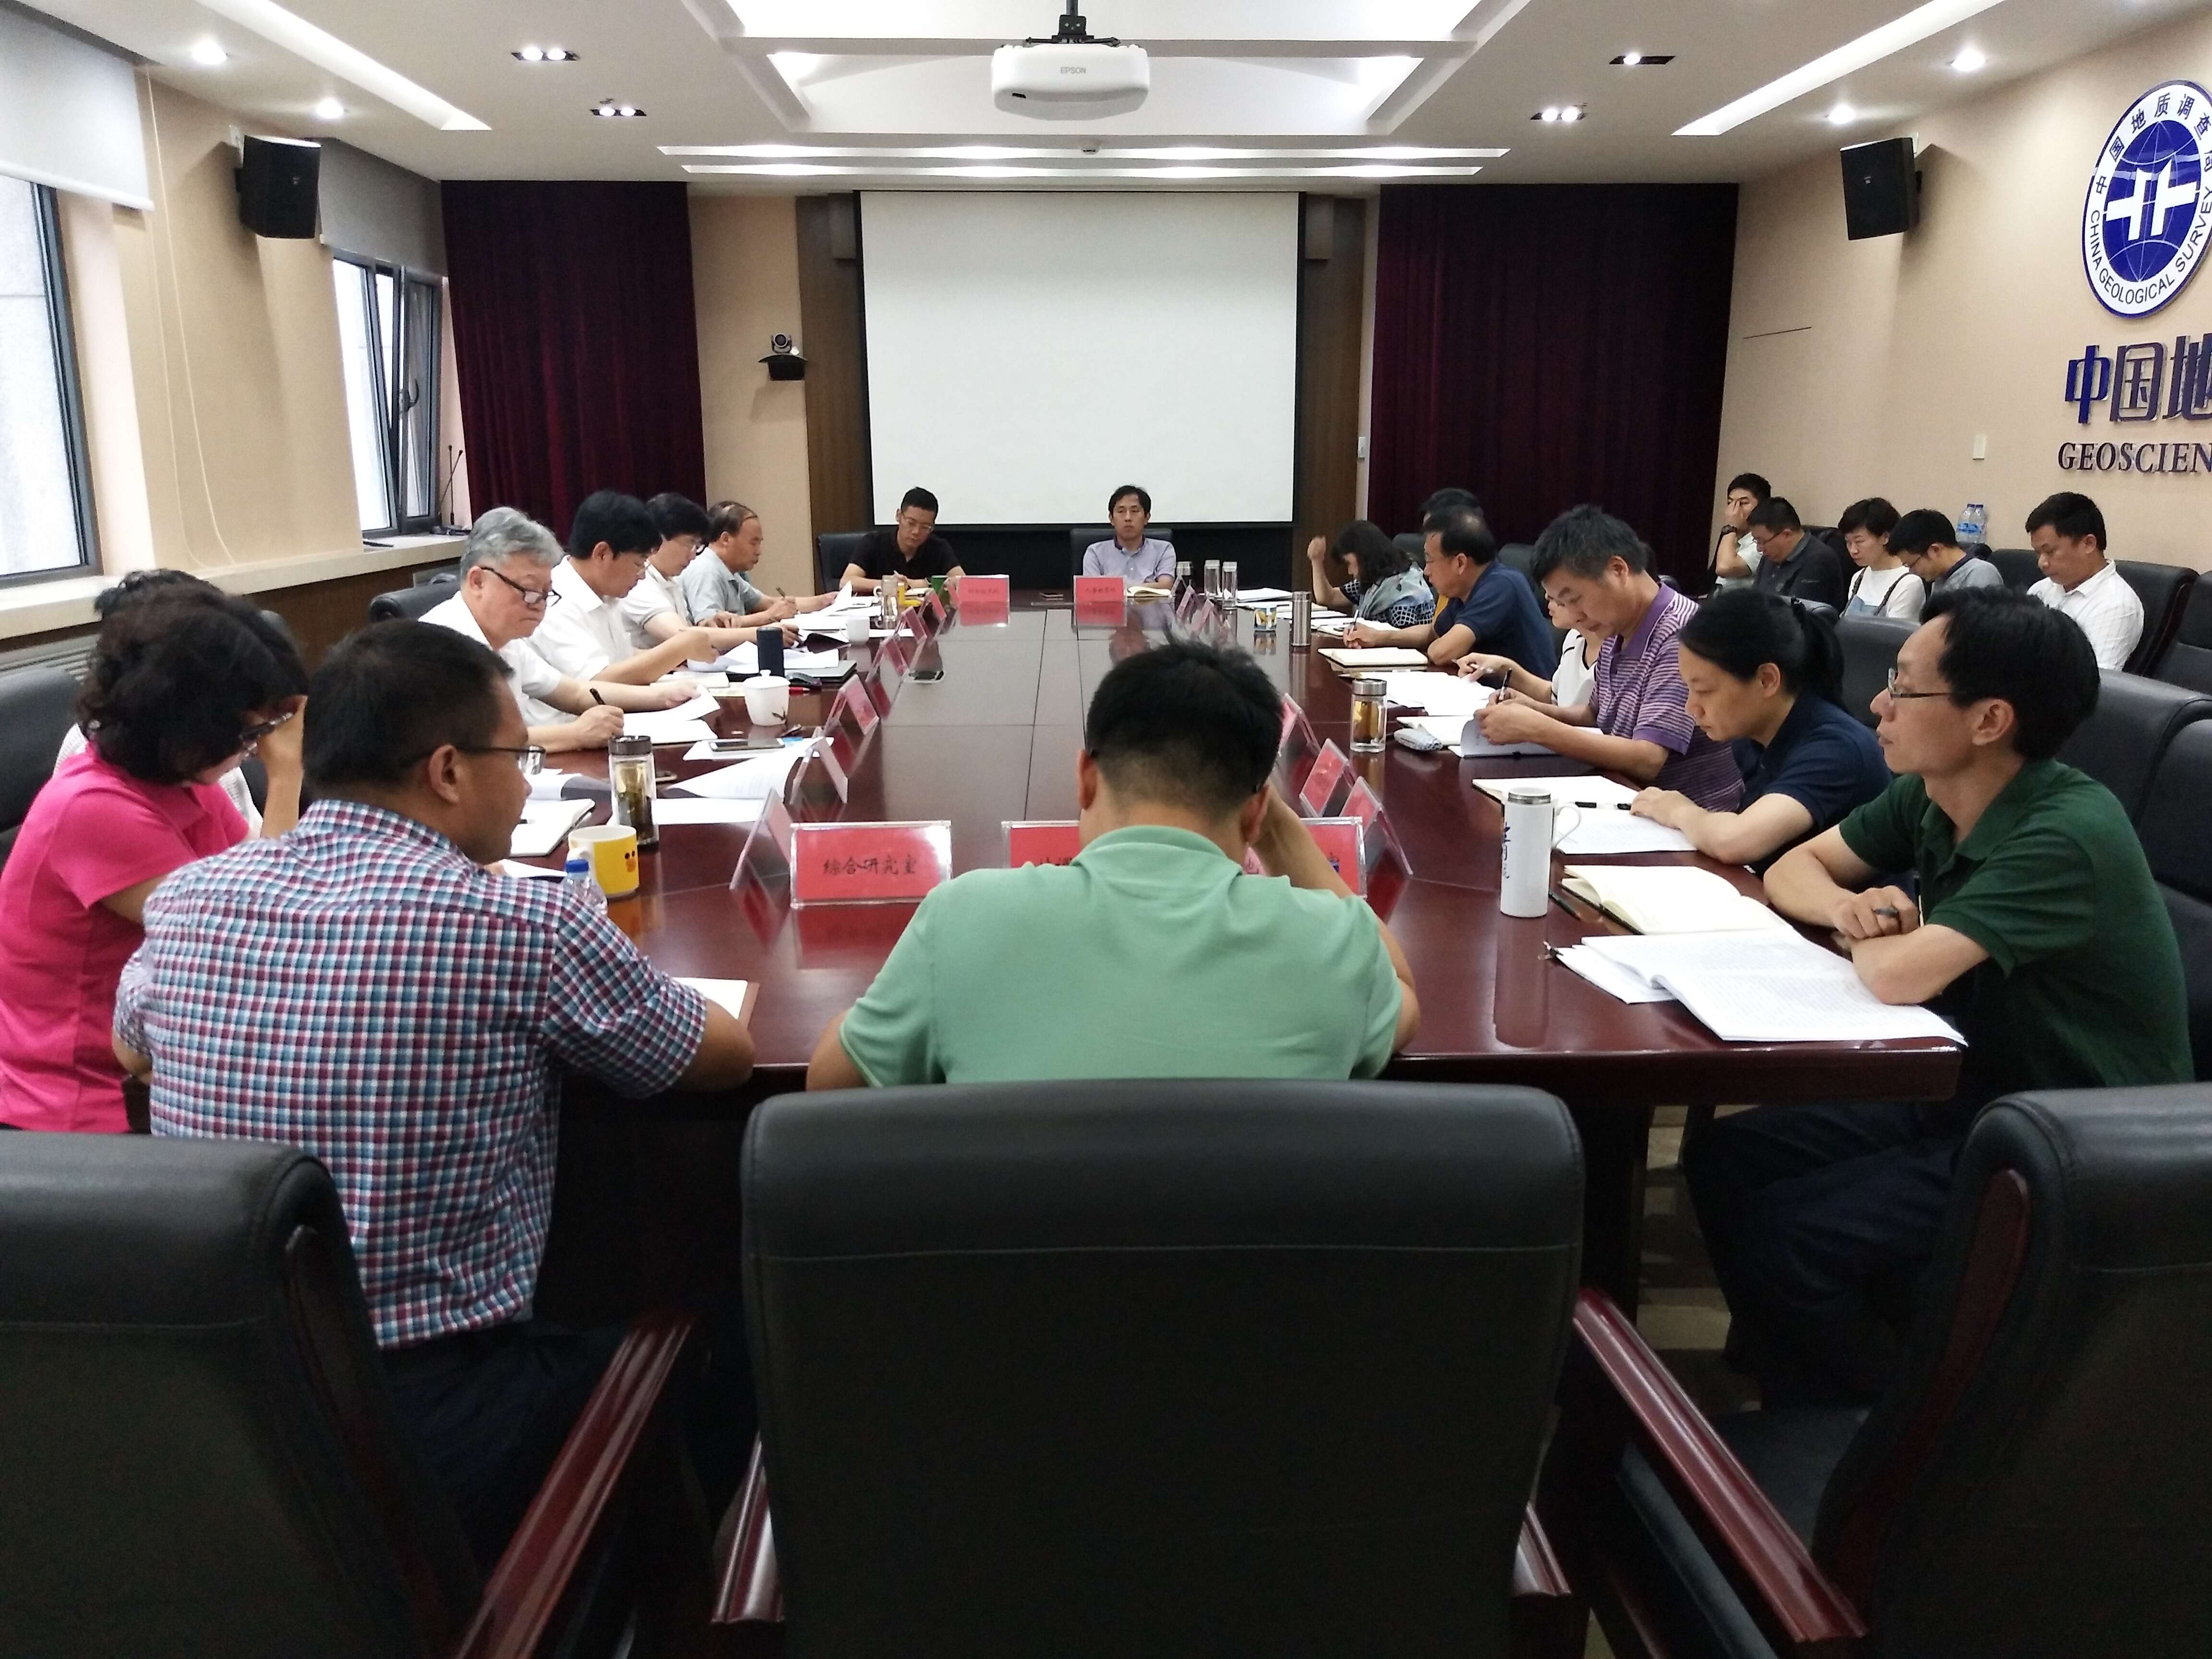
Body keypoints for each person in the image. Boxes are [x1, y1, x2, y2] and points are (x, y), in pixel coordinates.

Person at [113, 621, 756, 1563]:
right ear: (448, 771)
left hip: (224, 1408)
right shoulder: (521, 923)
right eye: (520, 758)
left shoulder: (189, 898)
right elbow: (724, 1056)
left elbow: (129, 1050)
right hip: (436, 1414)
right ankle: (674, 1596)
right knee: (734, 1323)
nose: (528, 784)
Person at [1691, 589, 2189, 1406]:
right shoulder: (1932, 789)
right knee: (1726, 1157)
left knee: (1791, 1239)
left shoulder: (2067, 831)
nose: (1877, 705)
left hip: (2074, 1132)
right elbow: (1790, 870)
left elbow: (1898, 976)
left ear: (1988, 720)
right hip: (1971, 1081)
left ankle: (1891, 1426)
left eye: (1903, 686)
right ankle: (1787, 1368)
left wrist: (1871, 940)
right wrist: (1851, 912)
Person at [805, 638, 1419, 1087]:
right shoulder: (1330, 942)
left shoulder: (963, 919)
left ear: (1085, 778)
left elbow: (829, 1084)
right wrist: (1280, 832)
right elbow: (1403, 992)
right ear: (1256, 812)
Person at [0, 591, 306, 1133]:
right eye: (250, 734)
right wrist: (286, 777)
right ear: (187, 727)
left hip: (170, 1055)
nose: (258, 747)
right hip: (91, 1099)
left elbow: (268, 880)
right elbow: (254, 938)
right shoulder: (93, 808)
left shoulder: (181, 780)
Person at [1476, 506, 1743, 809]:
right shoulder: (1616, 627)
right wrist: (1533, 710)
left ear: (1618, 570)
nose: (1575, 615)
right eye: (1563, 603)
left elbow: (1649, 758)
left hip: (1690, 816)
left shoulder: (1680, 634)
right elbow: (1596, 717)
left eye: (1575, 599)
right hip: (1624, 797)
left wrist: (1537, 729)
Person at [1629, 590, 1889, 871]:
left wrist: (1678, 810)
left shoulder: (1838, 749)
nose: (1691, 708)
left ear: (1766, 680)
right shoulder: (1754, 733)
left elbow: (1736, 842)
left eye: (1704, 691)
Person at [422, 508, 687, 752]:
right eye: (529, 591)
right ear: (478, 582)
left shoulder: (508, 640)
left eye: (546, 593)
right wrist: (576, 734)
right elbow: (476, 743)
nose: (540, 605)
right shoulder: (441, 645)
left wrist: (663, 696)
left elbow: (575, 693)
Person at [53, 570, 270, 833]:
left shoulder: (192, 764)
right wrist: (285, 777)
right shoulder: (193, 755)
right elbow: (264, 858)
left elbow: (255, 850)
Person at [529, 490, 742, 682]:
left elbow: (620, 656)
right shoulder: (556, 601)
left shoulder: (605, 594)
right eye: (638, 564)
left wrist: (674, 662)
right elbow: (598, 681)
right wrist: (680, 648)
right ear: (602, 554)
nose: (642, 576)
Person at [1347, 510, 1551, 673]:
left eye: (1430, 560)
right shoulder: (1465, 588)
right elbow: (1432, 632)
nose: (1426, 571)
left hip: (1527, 705)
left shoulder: (1502, 585)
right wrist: (1378, 637)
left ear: (1460, 563)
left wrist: (1432, 647)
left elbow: (1442, 652)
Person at [2026, 491, 2141, 670]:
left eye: (2050, 551)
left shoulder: (2116, 605)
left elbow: (2097, 679)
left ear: (2088, 544)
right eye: (2038, 553)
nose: (2042, 563)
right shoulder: (2040, 590)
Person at [680, 500, 834, 627]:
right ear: (726, 539)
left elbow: (768, 603)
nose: (759, 551)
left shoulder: (729, 572)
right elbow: (711, 627)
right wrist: (769, 616)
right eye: (753, 543)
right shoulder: (706, 571)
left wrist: (826, 600)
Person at [1460, 588, 1597, 709]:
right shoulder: (1574, 638)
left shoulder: (1608, 654)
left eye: (1564, 591)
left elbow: (1588, 721)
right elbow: (1556, 697)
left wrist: (1533, 713)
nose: (1548, 596)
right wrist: (1502, 667)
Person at [616, 492, 719, 653]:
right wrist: (756, 633)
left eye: (697, 547)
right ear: (659, 538)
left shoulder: (671, 580)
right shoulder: (637, 581)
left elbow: (687, 632)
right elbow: (684, 638)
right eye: (689, 544)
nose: (693, 555)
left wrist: (708, 624)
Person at [1306, 520, 1434, 627]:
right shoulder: (1375, 581)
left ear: (1364, 557)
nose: (1350, 572)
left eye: (1349, 563)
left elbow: (1406, 641)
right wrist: (1317, 561)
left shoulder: (1403, 594)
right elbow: (1328, 598)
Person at [842, 487, 966, 593]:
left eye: (925, 527)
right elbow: (846, 582)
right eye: (911, 523)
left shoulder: (939, 548)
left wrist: (921, 583)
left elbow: (963, 582)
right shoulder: (873, 542)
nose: (916, 532)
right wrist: (889, 584)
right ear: (899, 516)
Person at [1746, 497, 1848, 608]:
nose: (1759, 548)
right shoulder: (1770, 555)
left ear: (1787, 535)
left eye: (1762, 541)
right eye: (1757, 541)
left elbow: (1797, 613)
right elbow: (1754, 599)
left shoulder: (1820, 560)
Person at [1839, 497, 1923, 622]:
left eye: (1859, 542)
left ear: (1885, 538)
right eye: (1848, 542)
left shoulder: (1908, 582)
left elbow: (1895, 632)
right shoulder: (1858, 578)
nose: (1853, 550)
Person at [1888, 508, 2002, 600]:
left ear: (1935, 550)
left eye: (1912, 565)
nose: (1912, 572)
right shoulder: (1939, 580)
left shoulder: (1981, 574)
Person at [1082, 485, 1175, 581]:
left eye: (1134, 511)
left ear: (1147, 518)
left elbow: (1166, 585)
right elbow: (1091, 588)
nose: (1128, 518)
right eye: (1121, 511)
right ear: (1111, 519)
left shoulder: (1163, 550)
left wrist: (1117, 587)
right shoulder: (1095, 553)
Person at [1711, 472, 1768, 589]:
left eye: (1743, 503)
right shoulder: (1732, 536)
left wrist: (1731, 526)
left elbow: (1724, 568)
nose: (1734, 510)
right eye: (1730, 503)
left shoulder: (1763, 543)